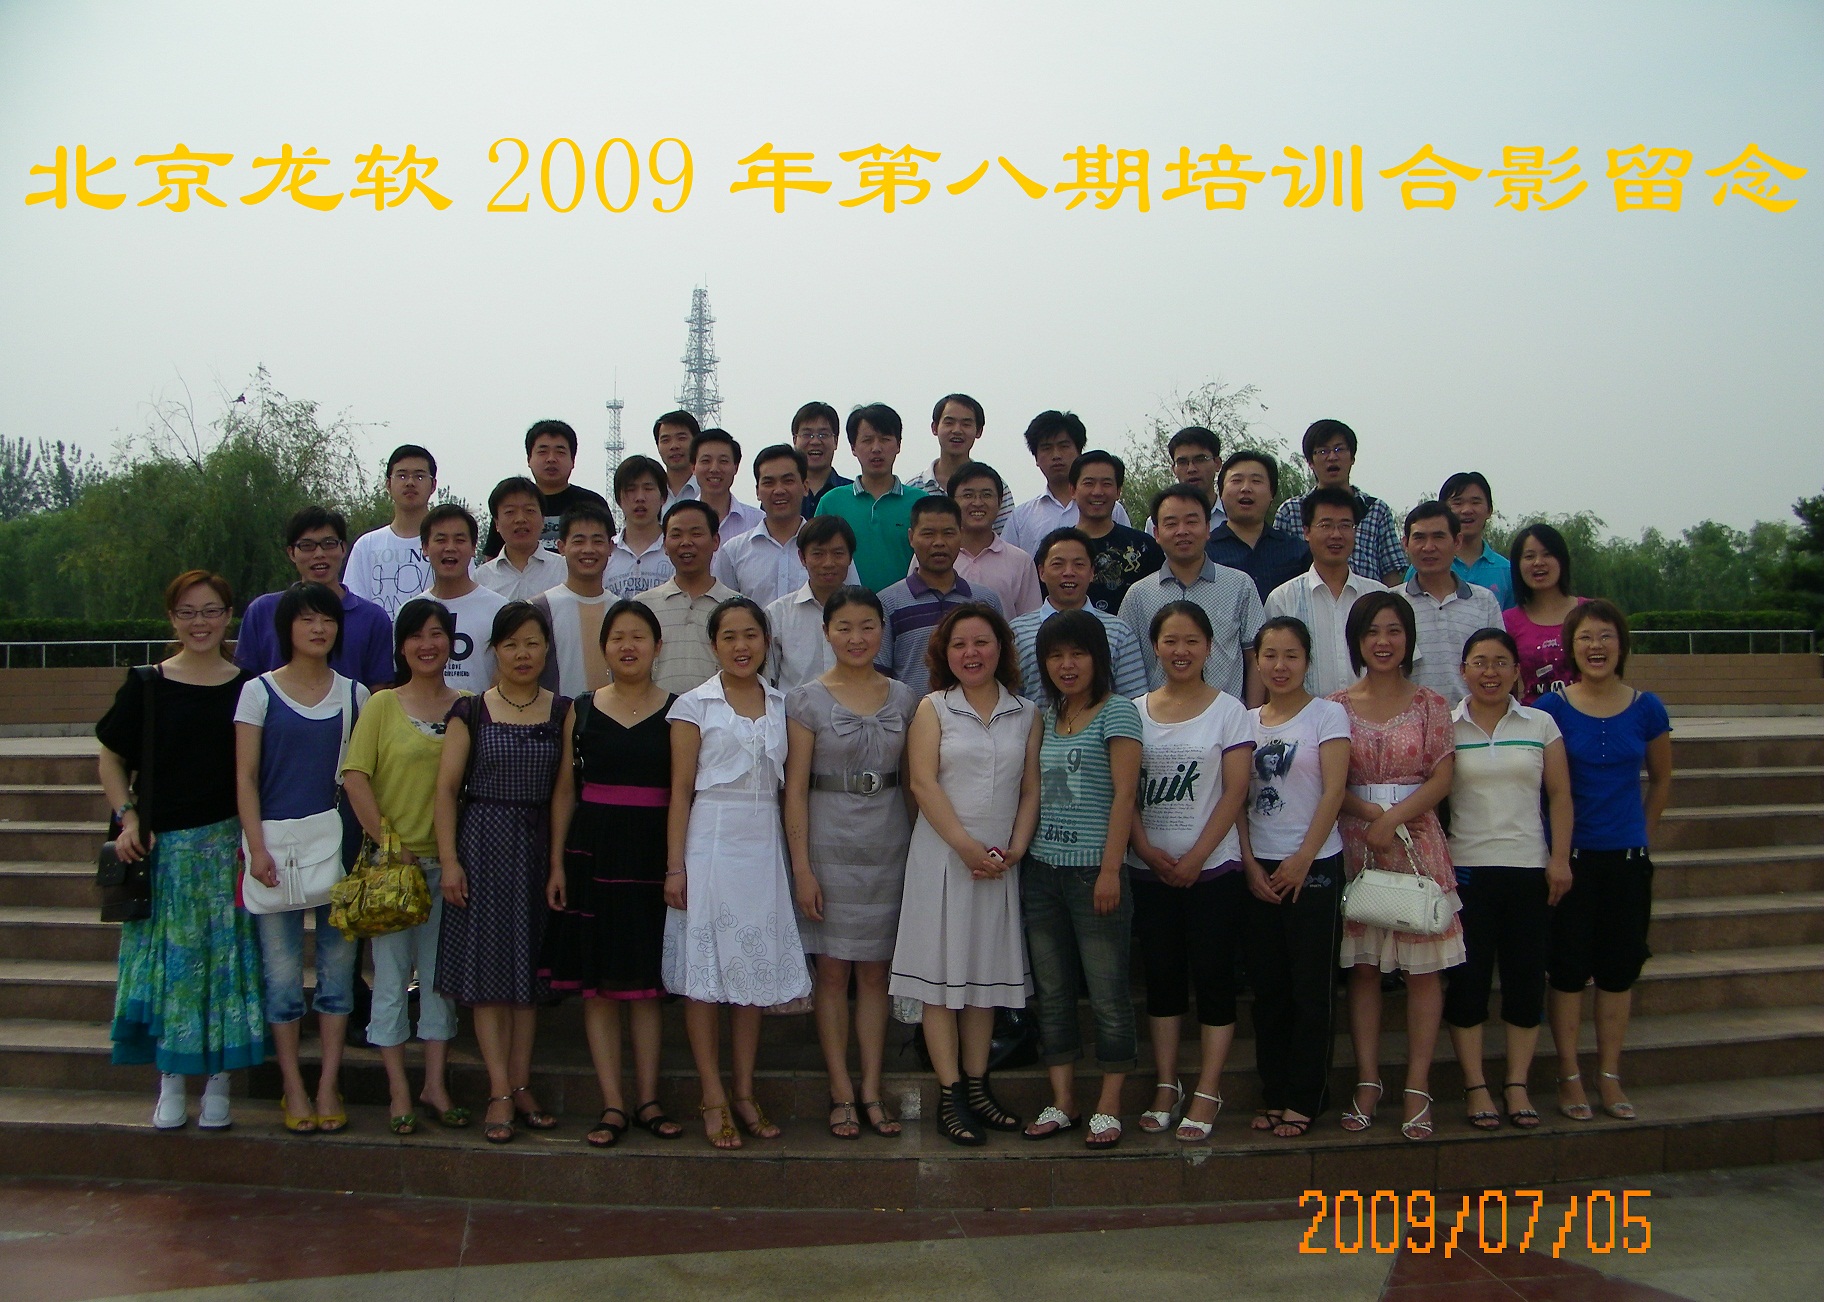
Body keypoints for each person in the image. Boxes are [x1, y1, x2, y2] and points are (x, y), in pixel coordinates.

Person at [99, 570, 264, 1131]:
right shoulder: (147, 684)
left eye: (211, 611)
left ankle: (218, 1082)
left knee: (224, 968)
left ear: (228, 616)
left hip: (228, 850)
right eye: (188, 612)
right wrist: (128, 816)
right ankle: (170, 1078)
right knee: (174, 969)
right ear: (172, 618)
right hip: (165, 852)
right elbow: (110, 756)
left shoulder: (251, 687)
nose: (200, 622)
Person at [662, 598, 813, 1149]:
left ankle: (745, 1092)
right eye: (729, 636)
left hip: (762, 844)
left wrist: (799, 866)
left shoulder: (783, 705)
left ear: (766, 642)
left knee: (752, 975)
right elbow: (680, 791)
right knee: (705, 979)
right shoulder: (693, 705)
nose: (741, 646)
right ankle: (712, 1095)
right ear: (713, 645)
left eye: (751, 635)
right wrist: (675, 867)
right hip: (710, 843)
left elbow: (792, 794)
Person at [889, 603, 1041, 1146]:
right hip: (944, 860)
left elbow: (1030, 788)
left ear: (1000, 648)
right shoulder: (933, 708)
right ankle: (951, 1095)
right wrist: (967, 848)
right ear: (944, 653)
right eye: (959, 645)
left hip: (998, 866)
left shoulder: (1027, 712)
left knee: (983, 981)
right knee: (940, 982)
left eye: (981, 642)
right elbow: (923, 784)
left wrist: (1015, 848)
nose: (971, 653)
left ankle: (978, 1088)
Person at [541, 600, 685, 1147]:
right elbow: (564, 791)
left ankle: (647, 1100)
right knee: (597, 987)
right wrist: (557, 862)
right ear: (603, 648)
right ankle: (611, 1105)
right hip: (593, 852)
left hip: (651, 856)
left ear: (657, 646)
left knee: (645, 986)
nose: (628, 646)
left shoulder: (679, 711)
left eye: (639, 636)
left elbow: (684, 792)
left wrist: (677, 865)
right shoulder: (579, 709)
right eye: (618, 637)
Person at [784, 586, 920, 1140]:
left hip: (889, 843)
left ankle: (871, 1088)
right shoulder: (805, 700)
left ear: (882, 631)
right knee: (834, 970)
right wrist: (802, 868)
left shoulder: (907, 699)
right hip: (827, 842)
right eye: (844, 627)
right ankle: (840, 1090)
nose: (856, 638)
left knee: (876, 973)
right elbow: (794, 790)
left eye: (867, 626)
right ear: (826, 633)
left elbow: (914, 785)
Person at [433, 601, 571, 1144]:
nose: (522, 654)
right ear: (494, 651)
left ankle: (521, 1084)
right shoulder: (470, 710)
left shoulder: (562, 711)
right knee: (491, 976)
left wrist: (557, 862)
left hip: (536, 848)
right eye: (511, 644)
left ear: (546, 649)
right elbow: (446, 790)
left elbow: (563, 793)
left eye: (532, 643)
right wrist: (450, 861)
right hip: (483, 846)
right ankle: (498, 1090)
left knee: (528, 976)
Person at [234, 581, 367, 1134]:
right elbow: (245, 777)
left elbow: (361, 778)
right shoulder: (258, 692)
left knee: (337, 977)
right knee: (284, 977)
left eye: (328, 619)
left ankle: (329, 1082)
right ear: (286, 628)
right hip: (273, 852)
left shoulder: (356, 695)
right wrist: (255, 848)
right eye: (307, 619)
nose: (319, 628)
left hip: (339, 851)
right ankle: (293, 1086)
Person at [1330, 592, 1462, 1141]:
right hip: (1355, 841)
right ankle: (1368, 1081)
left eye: (1393, 631)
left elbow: (1442, 777)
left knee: (1422, 971)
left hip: (1416, 841)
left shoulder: (1432, 703)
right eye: (1371, 632)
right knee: (1363, 969)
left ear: (1409, 638)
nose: (1383, 642)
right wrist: (1370, 816)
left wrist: (1394, 819)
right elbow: (1328, 781)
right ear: (1356, 641)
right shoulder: (1334, 706)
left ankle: (1416, 1086)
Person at [1535, 600, 1672, 1124]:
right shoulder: (1551, 710)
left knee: (1618, 970)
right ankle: (1570, 1073)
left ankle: (1609, 1073)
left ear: (1621, 645)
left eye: (1606, 637)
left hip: (1627, 860)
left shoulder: (1647, 708)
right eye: (1585, 638)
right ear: (1571, 649)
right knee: (1567, 969)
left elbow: (1661, 778)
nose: (1596, 647)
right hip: (1570, 860)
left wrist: (1643, 834)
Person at [1126, 602, 1254, 1143]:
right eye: (1170, 641)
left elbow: (1236, 790)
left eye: (1192, 641)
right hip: (1148, 872)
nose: (1181, 651)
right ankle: (1166, 1084)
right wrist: (1144, 848)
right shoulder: (1133, 711)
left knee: (1214, 977)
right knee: (1162, 980)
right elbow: (1124, 792)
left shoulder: (1230, 711)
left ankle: (1208, 1088)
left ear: (1209, 648)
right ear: (1155, 646)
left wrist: (1199, 856)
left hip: (1214, 872)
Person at [340, 598, 465, 1135]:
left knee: (439, 982)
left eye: (437, 634)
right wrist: (390, 843)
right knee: (391, 980)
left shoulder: (468, 707)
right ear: (402, 646)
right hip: (393, 869)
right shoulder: (381, 705)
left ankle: (434, 1085)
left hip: (451, 867)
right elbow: (355, 777)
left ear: (451, 642)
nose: (427, 644)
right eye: (416, 635)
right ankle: (397, 1091)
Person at [1020, 610, 1143, 1147]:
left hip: (1096, 871)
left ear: (1098, 658)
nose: (1066, 665)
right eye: (1055, 655)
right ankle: (1063, 1099)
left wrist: (1111, 869)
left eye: (1077, 653)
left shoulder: (1118, 712)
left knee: (1108, 992)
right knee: (1052, 992)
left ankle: (1109, 1105)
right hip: (1042, 872)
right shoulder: (1045, 716)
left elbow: (1125, 796)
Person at [1444, 628, 1574, 1132]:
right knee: (1469, 982)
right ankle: (1475, 1084)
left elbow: (1559, 795)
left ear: (1517, 671)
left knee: (1524, 982)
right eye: (1479, 662)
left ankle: (1516, 1083)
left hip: (1529, 869)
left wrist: (1559, 858)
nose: (1490, 672)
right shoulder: (1447, 725)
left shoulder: (1540, 723)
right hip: (1467, 870)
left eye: (1500, 662)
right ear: (1463, 670)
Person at [1240, 616, 1350, 1139]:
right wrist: (1248, 863)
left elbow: (1334, 791)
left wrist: (1305, 857)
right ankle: (1274, 1093)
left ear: (1307, 660)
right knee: (1269, 992)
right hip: (1257, 869)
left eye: (1291, 655)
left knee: (1311, 989)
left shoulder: (1328, 715)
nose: (1280, 666)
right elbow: (1234, 799)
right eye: (1270, 655)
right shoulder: (1243, 721)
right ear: (1257, 660)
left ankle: (1306, 1097)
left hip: (1315, 865)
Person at [1119, 484, 1264, 701]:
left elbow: (1255, 658)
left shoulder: (1240, 585)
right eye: (1171, 523)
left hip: (1226, 717)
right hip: (1159, 717)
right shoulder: (1138, 595)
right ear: (1156, 533)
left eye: (1191, 522)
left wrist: (1251, 715)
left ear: (1207, 529)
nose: (1182, 531)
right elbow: (1127, 667)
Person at [235, 506, 395, 691]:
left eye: (329, 544)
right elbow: (245, 683)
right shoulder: (262, 611)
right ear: (291, 552)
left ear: (343, 548)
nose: (319, 554)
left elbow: (378, 691)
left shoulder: (373, 618)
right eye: (307, 546)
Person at [1263, 487, 1387, 699]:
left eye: (1345, 525)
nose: (1336, 535)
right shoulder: (1283, 599)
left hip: (1372, 714)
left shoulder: (1378, 595)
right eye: (1325, 525)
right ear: (1306, 532)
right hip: (1306, 716)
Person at [877, 496, 1006, 696]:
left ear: (961, 535)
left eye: (948, 533)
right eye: (928, 534)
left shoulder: (985, 600)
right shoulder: (887, 603)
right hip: (911, 713)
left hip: (977, 713)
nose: (939, 543)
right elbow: (879, 676)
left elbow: (1003, 667)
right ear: (911, 537)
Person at [1009, 528, 1149, 702]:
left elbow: (1135, 700)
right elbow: (1010, 701)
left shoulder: (1119, 631)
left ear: (1092, 573)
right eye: (1058, 564)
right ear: (1041, 572)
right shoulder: (1017, 632)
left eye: (1079, 564)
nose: (1069, 572)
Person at [714, 444, 857, 606]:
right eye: (769, 483)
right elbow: (721, 610)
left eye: (788, 481)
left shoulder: (832, 548)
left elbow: (853, 602)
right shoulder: (733, 552)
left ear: (805, 487)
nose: (779, 490)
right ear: (757, 491)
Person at [1271, 420, 1405, 586]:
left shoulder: (1376, 510)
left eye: (1339, 449)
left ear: (1352, 457)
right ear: (1310, 462)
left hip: (1367, 599)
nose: (1332, 457)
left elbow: (1391, 572)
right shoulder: (1291, 511)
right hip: (1306, 599)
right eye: (1323, 451)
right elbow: (1278, 568)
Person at [814, 402, 927, 592]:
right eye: (867, 440)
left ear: (898, 445)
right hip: (845, 606)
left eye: (885, 439)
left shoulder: (920, 502)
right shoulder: (831, 502)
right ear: (853, 447)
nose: (876, 448)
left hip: (908, 605)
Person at [1401, 501, 1503, 707]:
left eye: (1438, 537)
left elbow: (1499, 665)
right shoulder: (1393, 603)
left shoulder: (1484, 601)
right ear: (1405, 544)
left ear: (1457, 542)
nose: (1428, 547)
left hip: (1471, 721)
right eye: (1419, 538)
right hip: (1410, 721)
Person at [639, 499, 740, 694]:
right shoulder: (643, 607)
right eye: (676, 535)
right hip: (657, 712)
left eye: (696, 533)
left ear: (716, 541)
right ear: (664, 545)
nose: (686, 542)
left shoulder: (739, 608)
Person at [1003, 410, 1131, 555]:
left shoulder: (1112, 509)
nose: (1056, 455)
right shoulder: (1020, 517)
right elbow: (1008, 563)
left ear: (1079, 452)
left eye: (1064, 446)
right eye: (1047, 448)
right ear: (1036, 458)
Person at [481, 419, 612, 559]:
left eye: (560, 452)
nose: (551, 459)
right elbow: (493, 559)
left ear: (573, 460)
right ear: (529, 459)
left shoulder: (592, 502)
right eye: (543, 452)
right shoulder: (510, 504)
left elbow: (609, 553)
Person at [764, 516, 860, 690]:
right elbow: (767, 679)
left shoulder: (867, 612)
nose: (828, 563)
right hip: (794, 708)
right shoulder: (778, 614)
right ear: (802, 557)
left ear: (850, 557)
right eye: (818, 554)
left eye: (838, 554)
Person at [531, 504, 616, 698]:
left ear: (610, 547)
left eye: (597, 541)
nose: (588, 550)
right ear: (561, 547)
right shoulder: (539, 609)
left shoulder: (620, 610)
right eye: (579, 541)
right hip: (554, 714)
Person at [418, 503, 506, 691]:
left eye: (459, 540)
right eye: (441, 540)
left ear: (473, 547)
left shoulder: (499, 609)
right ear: (425, 547)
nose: (450, 548)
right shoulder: (412, 611)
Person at [343, 444, 436, 617]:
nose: (410, 483)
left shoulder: (449, 545)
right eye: (402, 475)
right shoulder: (366, 545)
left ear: (433, 485)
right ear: (388, 484)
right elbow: (355, 608)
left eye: (419, 476)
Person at [1209, 450, 1309, 601]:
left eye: (1256, 481)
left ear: (1271, 494)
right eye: (1236, 480)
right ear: (1221, 492)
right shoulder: (1204, 553)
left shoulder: (1297, 551)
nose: (1246, 488)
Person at [1503, 524, 1587, 705]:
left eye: (1547, 554)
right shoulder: (1508, 621)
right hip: (1535, 718)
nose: (1538, 562)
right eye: (1529, 556)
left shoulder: (1589, 612)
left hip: (1588, 714)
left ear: (1562, 560)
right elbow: (1506, 688)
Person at [906, 394, 1014, 532]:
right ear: (934, 428)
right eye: (949, 422)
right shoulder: (914, 487)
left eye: (966, 424)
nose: (957, 430)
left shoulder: (995, 487)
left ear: (979, 431)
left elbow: (1006, 537)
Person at [1072, 451, 1164, 613]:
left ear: (1118, 491)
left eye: (1106, 483)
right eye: (1089, 483)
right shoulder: (1056, 548)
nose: (1097, 491)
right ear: (1072, 490)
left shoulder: (1144, 546)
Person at [1405, 473, 1514, 609]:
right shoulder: (1421, 567)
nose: (1467, 510)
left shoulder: (1506, 570)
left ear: (1489, 510)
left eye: (1475, 502)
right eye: (1457, 503)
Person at [947, 461, 1041, 616]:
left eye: (987, 495)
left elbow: (1031, 621)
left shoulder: (1020, 561)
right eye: (968, 495)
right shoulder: (933, 555)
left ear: (1000, 502)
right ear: (952, 502)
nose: (978, 503)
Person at [476, 476, 566, 601]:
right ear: (497, 524)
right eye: (510, 512)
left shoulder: (566, 570)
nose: (520, 519)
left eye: (529, 510)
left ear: (542, 520)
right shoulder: (481, 578)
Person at [602, 454, 674, 599]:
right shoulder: (606, 552)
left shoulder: (675, 550)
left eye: (648, 488)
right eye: (631, 489)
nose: (640, 497)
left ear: (663, 497)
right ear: (618, 499)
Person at [684, 428, 763, 539]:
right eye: (706, 461)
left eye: (723, 461)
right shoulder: (680, 521)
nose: (714, 469)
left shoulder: (759, 522)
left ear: (735, 467)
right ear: (693, 467)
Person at [1158, 426, 1226, 528]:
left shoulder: (1234, 516)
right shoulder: (1159, 521)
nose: (1191, 469)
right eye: (1182, 462)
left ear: (1217, 463)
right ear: (1174, 469)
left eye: (1200, 460)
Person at [793, 400, 852, 518]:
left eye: (823, 435)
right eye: (807, 434)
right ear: (795, 441)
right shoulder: (783, 494)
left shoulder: (852, 495)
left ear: (835, 441)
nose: (815, 441)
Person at [651, 409, 701, 500]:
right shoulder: (651, 494)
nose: (674, 446)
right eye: (666, 440)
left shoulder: (708, 491)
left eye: (681, 438)